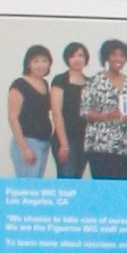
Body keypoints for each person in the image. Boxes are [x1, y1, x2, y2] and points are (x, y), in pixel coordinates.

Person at [81, 37, 127, 179]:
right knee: (101, 186)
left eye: (122, 56)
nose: (118, 59)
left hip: (125, 144)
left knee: (121, 186)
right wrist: (106, 116)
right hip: (100, 143)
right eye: (114, 55)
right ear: (106, 57)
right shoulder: (95, 81)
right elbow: (84, 111)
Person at [7, 44, 57, 176]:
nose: (41, 65)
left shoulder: (45, 83)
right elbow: (13, 117)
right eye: (36, 61)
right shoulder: (19, 84)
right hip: (27, 141)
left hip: (44, 141)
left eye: (44, 61)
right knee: (27, 184)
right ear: (28, 64)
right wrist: (24, 149)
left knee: (37, 184)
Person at [52, 41, 89, 178]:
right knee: (66, 180)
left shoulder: (90, 82)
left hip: (84, 139)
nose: (77, 59)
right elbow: (56, 113)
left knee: (77, 180)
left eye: (80, 55)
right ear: (67, 59)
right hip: (65, 138)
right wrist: (64, 144)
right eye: (72, 56)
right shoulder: (60, 80)